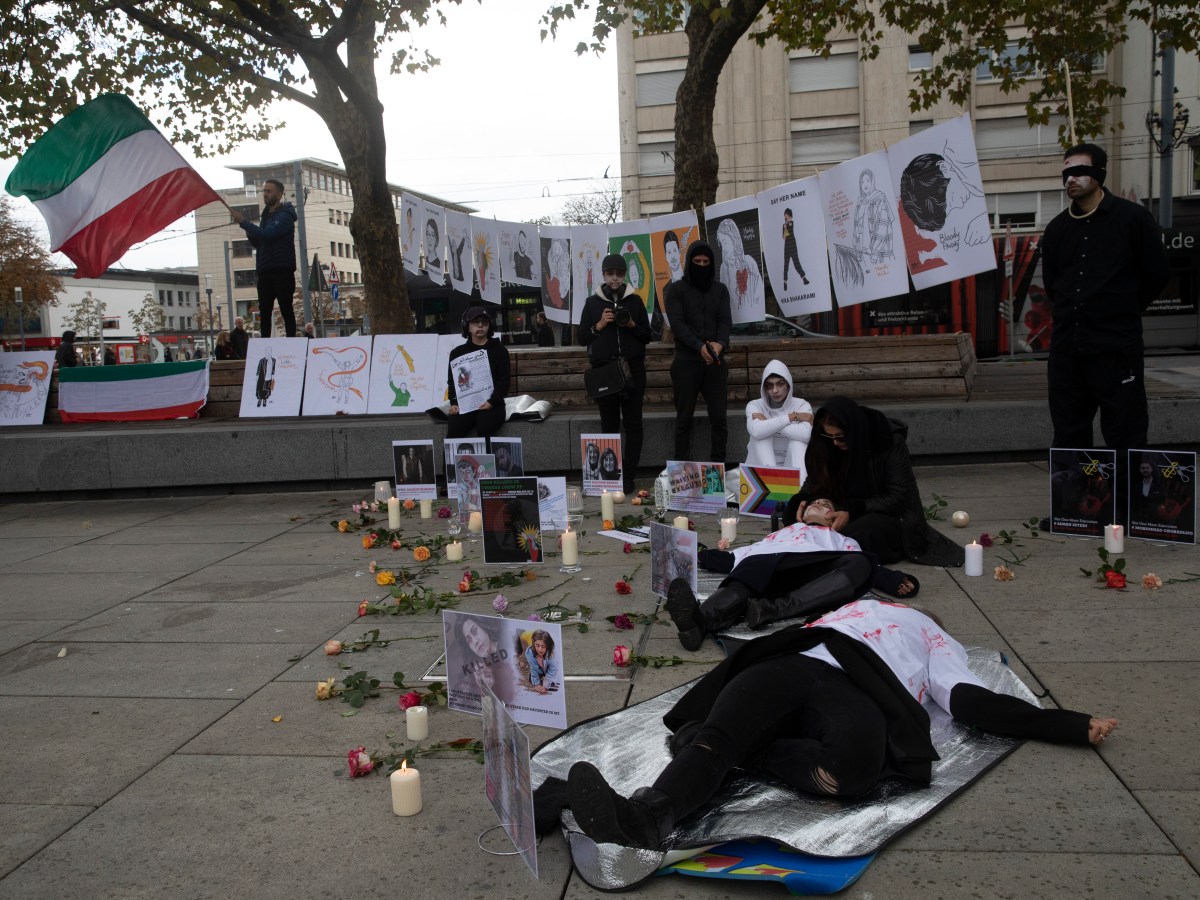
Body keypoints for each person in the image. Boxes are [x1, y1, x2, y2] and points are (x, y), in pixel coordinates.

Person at [564, 598, 1119, 849]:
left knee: (851, 768)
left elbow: (968, 699)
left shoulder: (932, 635)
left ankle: (739, 751)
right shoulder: (854, 609)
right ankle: (643, 818)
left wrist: (1065, 724)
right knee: (720, 730)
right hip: (795, 662)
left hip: (855, 691)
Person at [1041, 143, 1170, 525]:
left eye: (1079, 171)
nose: (1071, 180)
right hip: (1068, 349)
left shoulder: (1131, 219)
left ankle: (1130, 510)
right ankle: (1073, 510)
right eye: (1065, 173)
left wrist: (1122, 310)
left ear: (1099, 174)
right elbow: (1054, 286)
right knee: (1069, 430)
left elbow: (1157, 274)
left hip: (1116, 347)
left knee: (1126, 430)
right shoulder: (1058, 229)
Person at [665, 498, 918, 649]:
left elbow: (865, 567)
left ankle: (771, 609)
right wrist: (697, 554)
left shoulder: (839, 538)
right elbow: (735, 557)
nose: (819, 504)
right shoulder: (780, 534)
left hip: (812, 577)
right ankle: (699, 623)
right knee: (752, 564)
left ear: (835, 519)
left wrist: (894, 580)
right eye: (815, 503)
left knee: (863, 562)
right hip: (770, 570)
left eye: (826, 504)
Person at [784, 396, 963, 567]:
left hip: (886, 513)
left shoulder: (889, 442)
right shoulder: (831, 444)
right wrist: (802, 499)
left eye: (840, 436)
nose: (835, 443)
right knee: (790, 515)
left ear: (853, 430)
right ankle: (818, 546)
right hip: (845, 504)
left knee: (862, 533)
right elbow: (816, 477)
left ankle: (819, 550)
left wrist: (852, 512)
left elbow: (897, 497)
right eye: (829, 437)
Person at [580, 253, 652, 493]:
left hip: (633, 369)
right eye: (610, 274)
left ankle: (629, 475)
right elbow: (582, 338)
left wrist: (631, 324)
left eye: (619, 274)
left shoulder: (635, 301)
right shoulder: (592, 303)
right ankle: (611, 476)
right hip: (605, 371)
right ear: (603, 275)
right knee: (609, 424)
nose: (614, 278)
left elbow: (647, 335)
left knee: (634, 424)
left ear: (624, 276)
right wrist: (599, 325)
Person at [665, 241, 733, 462]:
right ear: (689, 263)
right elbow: (677, 324)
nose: (702, 265)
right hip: (686, 360)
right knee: (684, 419)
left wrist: (720, 343)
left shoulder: (720, 290)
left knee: (719, 419)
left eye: (706, 262)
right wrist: (698, 346)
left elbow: (725, 320)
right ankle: (681, 472)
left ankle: (718, 470)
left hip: (715, 360)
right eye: (697, 262)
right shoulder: (676, 290)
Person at [230, 178, 299, 338]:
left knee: (286, 308)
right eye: (264, 191)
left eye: (269, 191)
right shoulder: (266, 216)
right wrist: (249, 232)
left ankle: (291, 342)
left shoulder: (285, 216)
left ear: (279, 194)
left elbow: (268, 235)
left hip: (282, 270)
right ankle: (265, 342)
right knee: (265, 311)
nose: (265, 194)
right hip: (266, 271)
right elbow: (259, 241)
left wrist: (244, 223)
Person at [447, 307, 510, 443]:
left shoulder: (500, 350)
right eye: (475, 322)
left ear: (489, 326)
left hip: (493, 404)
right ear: (467, 326)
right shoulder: (457, 353)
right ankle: (450, 465)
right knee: (454, 427)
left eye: (484, 322)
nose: (480, 325)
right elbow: (452, 382)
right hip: (466, 404)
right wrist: (454, 403)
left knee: (484, 426)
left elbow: (504, 381)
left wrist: (492, 402)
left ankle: (486, 464)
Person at [745, 360, 812, 476]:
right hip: (761, 468)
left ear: (788, 384)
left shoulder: (802, 405)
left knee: (798, 442)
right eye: (769, 386)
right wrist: (791, 417)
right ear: (764, 388)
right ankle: (771, 481)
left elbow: (805, 435)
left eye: (780, 384)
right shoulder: (755, 405)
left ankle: (801, 489)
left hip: (790, 464)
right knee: (761, 437)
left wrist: (767, 423)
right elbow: (756, 431)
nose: (775, 390)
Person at [450, 616, 517, 705]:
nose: (474, 641)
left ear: (484, 626)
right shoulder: (474, 669)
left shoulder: (510, 644)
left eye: (474, 631)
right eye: (469, 640)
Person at [715, 218, 764, 313]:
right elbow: (722, 300)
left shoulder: (749, 262)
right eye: (721, 244)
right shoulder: (724, 268)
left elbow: (759, 294)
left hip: (753, 318)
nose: (723, 249)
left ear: (734, 239)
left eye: (725, 242)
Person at [852, 168, 895, 267]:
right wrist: (858, 252)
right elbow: (856, 229)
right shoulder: (860, 202)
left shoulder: (880, 198)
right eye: (862, 182)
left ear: (873, 181)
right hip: (864, 254)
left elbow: (882, 228)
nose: (865, 184)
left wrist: (874, 253)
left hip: (880, 255)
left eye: (868, 180)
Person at [522, 630, 559, 695]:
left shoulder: (552, 654)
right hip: (539, 672)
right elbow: (533, 668)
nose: (540, 649)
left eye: (543, 646)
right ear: (534, 644)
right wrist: (536, 684)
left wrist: (545, 685)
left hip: (551, 671)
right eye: (537, 645)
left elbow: (553, 669)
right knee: (532, 680)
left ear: (548, 646)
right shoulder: (529, 653)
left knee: (554, 685)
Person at [781, 208, 809, 290]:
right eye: (784, 214)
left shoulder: (791, 223)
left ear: (789, 215)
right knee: (786, 265)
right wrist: (785, 227)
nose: (785, 216)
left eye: (786, 214)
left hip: (793, 245)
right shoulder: (784, 225)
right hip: (787, 247)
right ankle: (785, 282)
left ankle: (804, 278)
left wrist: (787, 225)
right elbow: (784, 237)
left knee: (796, 263)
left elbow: (790, 229)